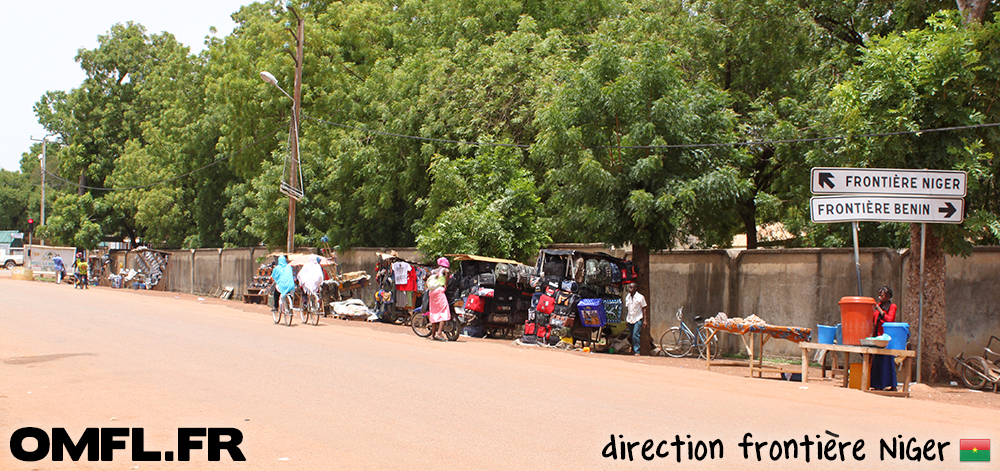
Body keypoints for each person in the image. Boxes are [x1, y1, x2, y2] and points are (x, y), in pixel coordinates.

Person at [870, 286, 898, 391]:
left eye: (882, 296)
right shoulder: (879, 306)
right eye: (879, 295)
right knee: (877, 361)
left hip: (887, 337)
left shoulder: (892, 306)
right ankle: (878, 385)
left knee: (887, 361)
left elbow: (889, 320)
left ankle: (892, 385)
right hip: (878, 337)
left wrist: (879, 310)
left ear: (888, 296)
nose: (880, 298)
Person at [426, 257, 451, 341]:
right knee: (444, 310)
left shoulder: (433, 271)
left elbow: (424, 277)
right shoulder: (444, 270)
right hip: (439, 292)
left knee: (434, 311)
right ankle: (439, 333)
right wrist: (446, 284)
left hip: (432, 293)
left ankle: (433, 335)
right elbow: (447, 272)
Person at [625, 282, 648, 355]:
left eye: (631, 288)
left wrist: (645, 320)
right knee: (632, 335)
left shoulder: (640, 297)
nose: (629, 289)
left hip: (638, 318)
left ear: (635, 289)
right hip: (630, 319)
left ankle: (637, 351)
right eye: (629, 287)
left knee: (636, 334)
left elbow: (644, 308)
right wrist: (627, 320)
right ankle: (632, 348)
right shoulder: (627, 297)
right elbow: (628, 309)